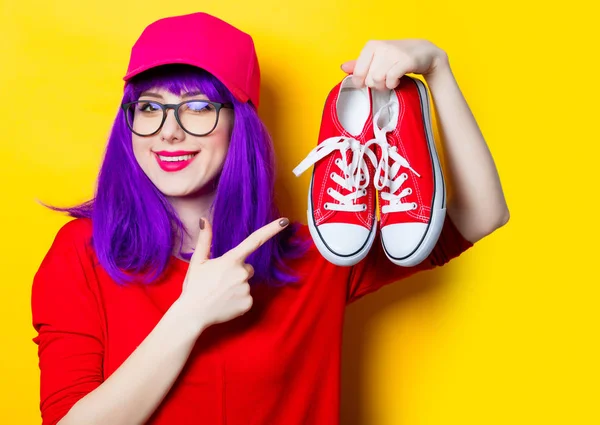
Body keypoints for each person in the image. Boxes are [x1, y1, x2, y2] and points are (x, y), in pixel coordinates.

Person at [31, 11, 509, 425]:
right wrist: (190, 315)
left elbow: (481, 214)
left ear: (241, 122)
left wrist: (437, 68)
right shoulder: (82, 252)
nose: (169, 132)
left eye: (197, 107)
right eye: (150, 107)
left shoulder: (323, 249)